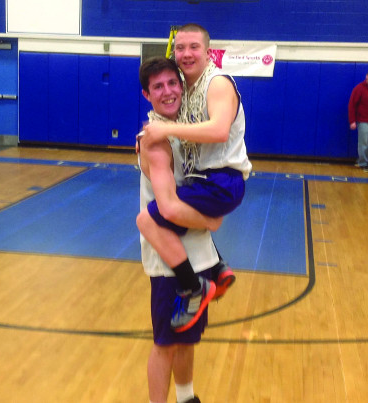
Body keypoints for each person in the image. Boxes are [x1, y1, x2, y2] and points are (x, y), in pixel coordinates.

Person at [139, 23, 252, 332]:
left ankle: (193, 286)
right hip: (207, 179)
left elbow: (219, 130)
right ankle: (218, 267)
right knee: (179, 204)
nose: (186, 53)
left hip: (221, 180)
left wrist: (164, 130)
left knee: (149, 219)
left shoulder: (217, 84)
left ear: (208, 52)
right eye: (180, 48)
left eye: (193, 47)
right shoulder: (188, 89)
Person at [138, 56, 219, 403]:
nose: (168, 91)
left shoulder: (183, 129)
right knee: (166, 344)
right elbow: (169, 206)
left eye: (173, 83)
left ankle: (186, 398)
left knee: (188, 339)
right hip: (169, 261)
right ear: (147, 95)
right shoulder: (154, 141)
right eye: (158, 87)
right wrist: (211, 219)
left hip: (197, 254)